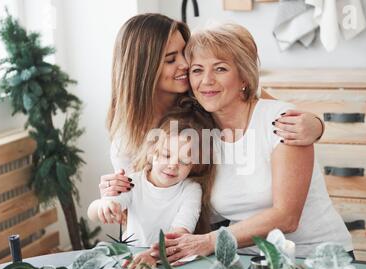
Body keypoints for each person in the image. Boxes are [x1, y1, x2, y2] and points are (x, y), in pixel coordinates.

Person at [151, 23, 353, 264]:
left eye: (220, 68)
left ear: (244, 77)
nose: (206, 81)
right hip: (246, 259)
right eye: (197, 70)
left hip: (314, 258)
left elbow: (286, 217)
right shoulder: (197, 134)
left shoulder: (281, 122)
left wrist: (208, 241)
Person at [98, 13, 325, 212]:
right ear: (143, 69)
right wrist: (111, 195)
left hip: (218, 226)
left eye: (183, 54)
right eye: (170, 59)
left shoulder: (205, 95)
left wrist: (317, 125)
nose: (186, 65)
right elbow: (134, 205)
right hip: (172, 233)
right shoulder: (127, 139)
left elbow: (271, 111)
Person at [87, 106, 215, 269]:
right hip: (132, 260)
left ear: (195, 166)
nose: (172, 165)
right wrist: (103, 206)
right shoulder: (133, 182)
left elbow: (179, 234)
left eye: (184, 161)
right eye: (166, 155)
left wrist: (153, 256)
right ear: (151, 152)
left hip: (170, 260)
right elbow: (93, 211)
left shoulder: (191, 190)